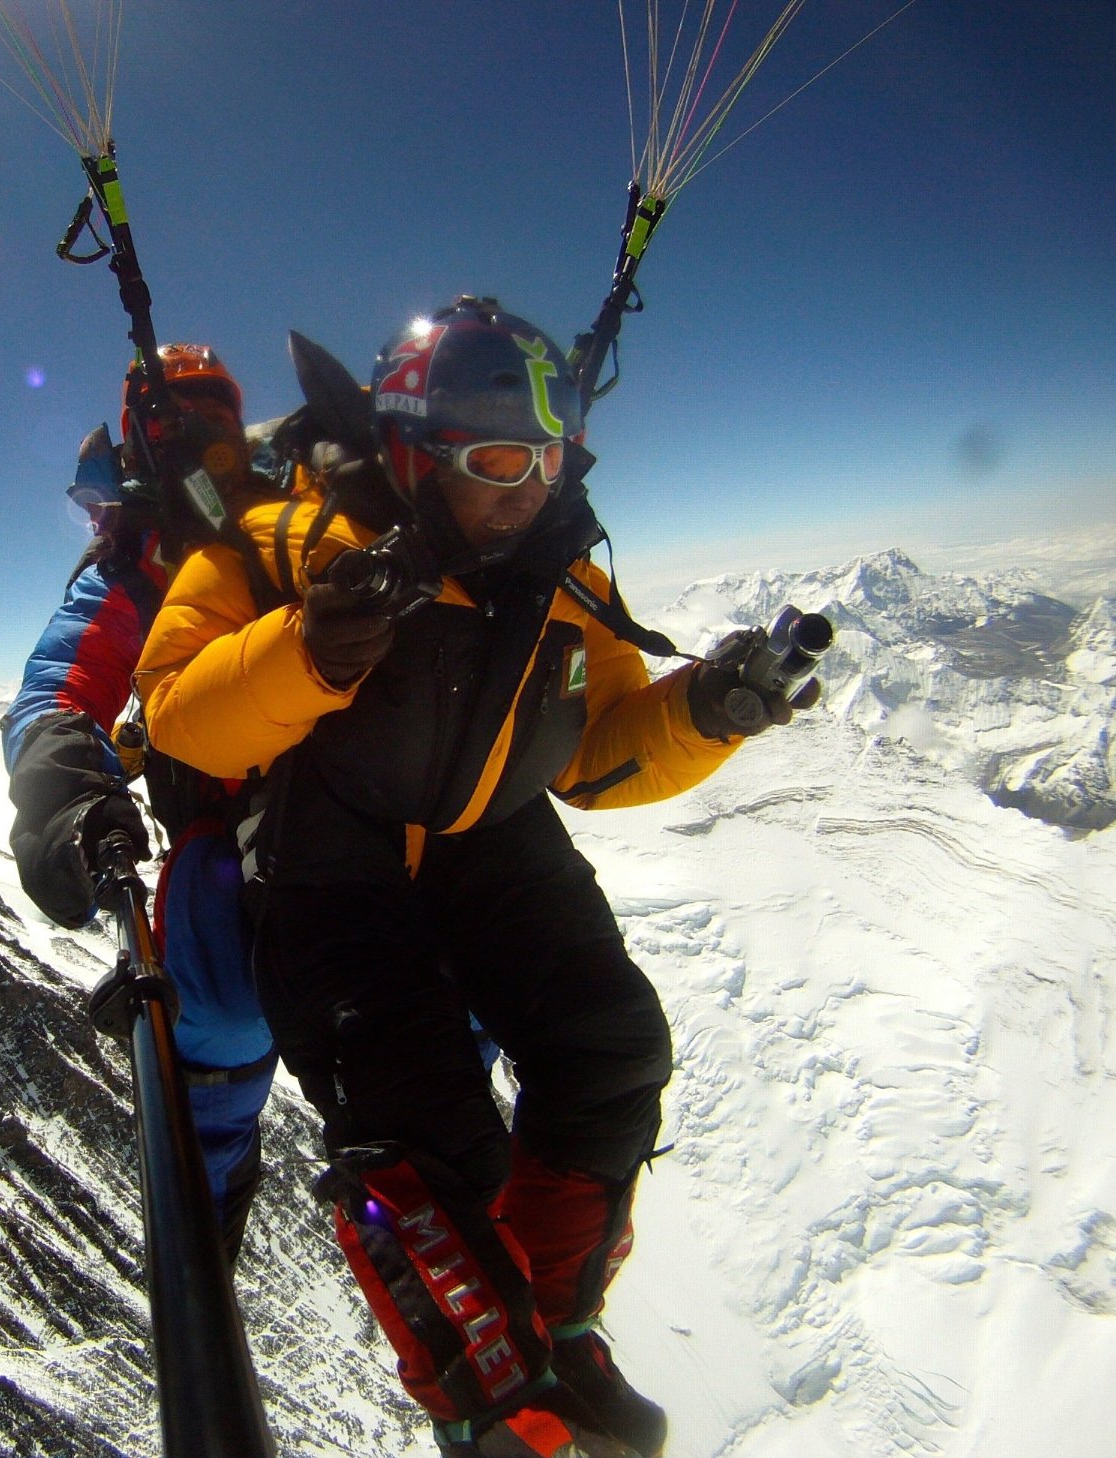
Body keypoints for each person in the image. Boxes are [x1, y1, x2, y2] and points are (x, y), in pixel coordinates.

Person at [136, 297, 820, 1458]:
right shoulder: (275, 541)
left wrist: (707, 712)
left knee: (612, 1050)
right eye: (502, 459)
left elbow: (595, 758)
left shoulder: (558, 578)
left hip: (489, 844)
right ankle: (494, 1402)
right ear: (413, 447)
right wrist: (305, 649)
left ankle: (559, 1324)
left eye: (547, 459)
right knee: (420, 1122)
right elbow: (177, 722)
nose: (529, 489)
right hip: (327, 863)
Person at [0, 343, 280, 1261]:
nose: (196, 441)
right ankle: (212, 1186)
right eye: (177, 422)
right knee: (217, 1003)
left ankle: (205, 1210)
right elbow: (56, 694)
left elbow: (54, 694)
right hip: (235, 807)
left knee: (219, 1008)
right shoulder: (141, 565)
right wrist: (72, 796)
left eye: (208, 420)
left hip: (304, 789)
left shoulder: (279, 518)